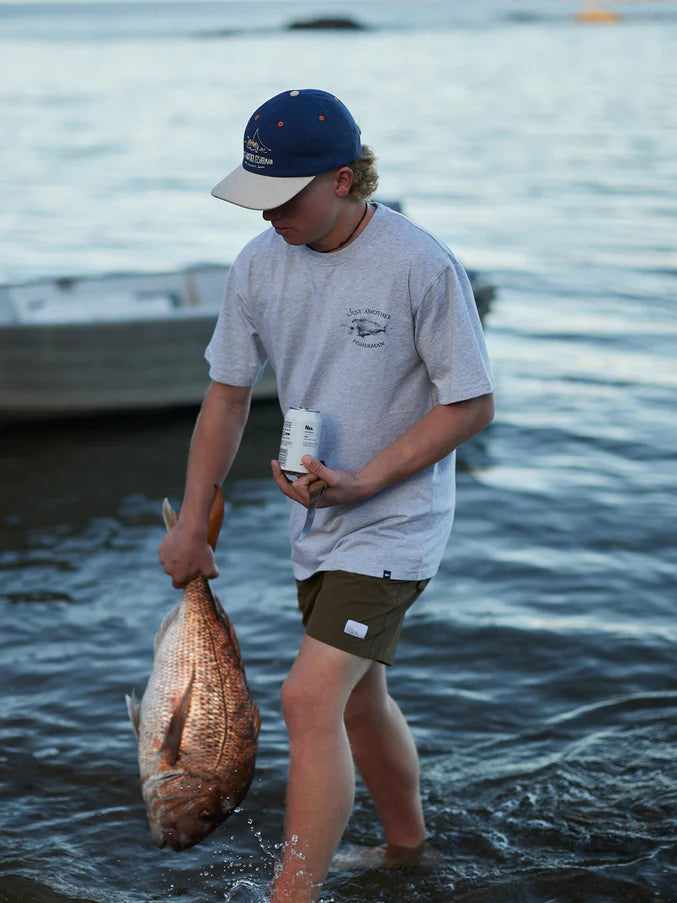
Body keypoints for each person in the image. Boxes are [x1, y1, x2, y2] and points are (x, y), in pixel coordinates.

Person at [159, 88, 495, 902]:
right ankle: (408, 846)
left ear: (343, 179)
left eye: (286, 197)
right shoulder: (256, 264)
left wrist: (368, 479)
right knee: (357, 697)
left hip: (396, 520)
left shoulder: (418, 263)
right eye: (258, 195)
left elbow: (472, 402)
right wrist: (195, 521)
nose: (268, 213)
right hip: (315, 517)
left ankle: (291, 894)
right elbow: (227, 396)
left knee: (308, 694)